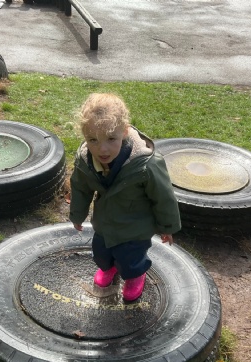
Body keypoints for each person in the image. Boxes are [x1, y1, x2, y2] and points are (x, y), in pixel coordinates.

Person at [69, 93, 181, 302]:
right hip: (104, 223)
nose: (102, 149)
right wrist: (77, 215)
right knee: (101, 252)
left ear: (125, 131)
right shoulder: (85, 160)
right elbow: (80, 188)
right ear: (85, 137)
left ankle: (135, 275)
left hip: (135, 228)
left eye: (111, 139)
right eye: (93, 140)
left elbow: (163, 197)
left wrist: (167, 227)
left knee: (131, 258)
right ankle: (108, 268)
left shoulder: (145, 164)